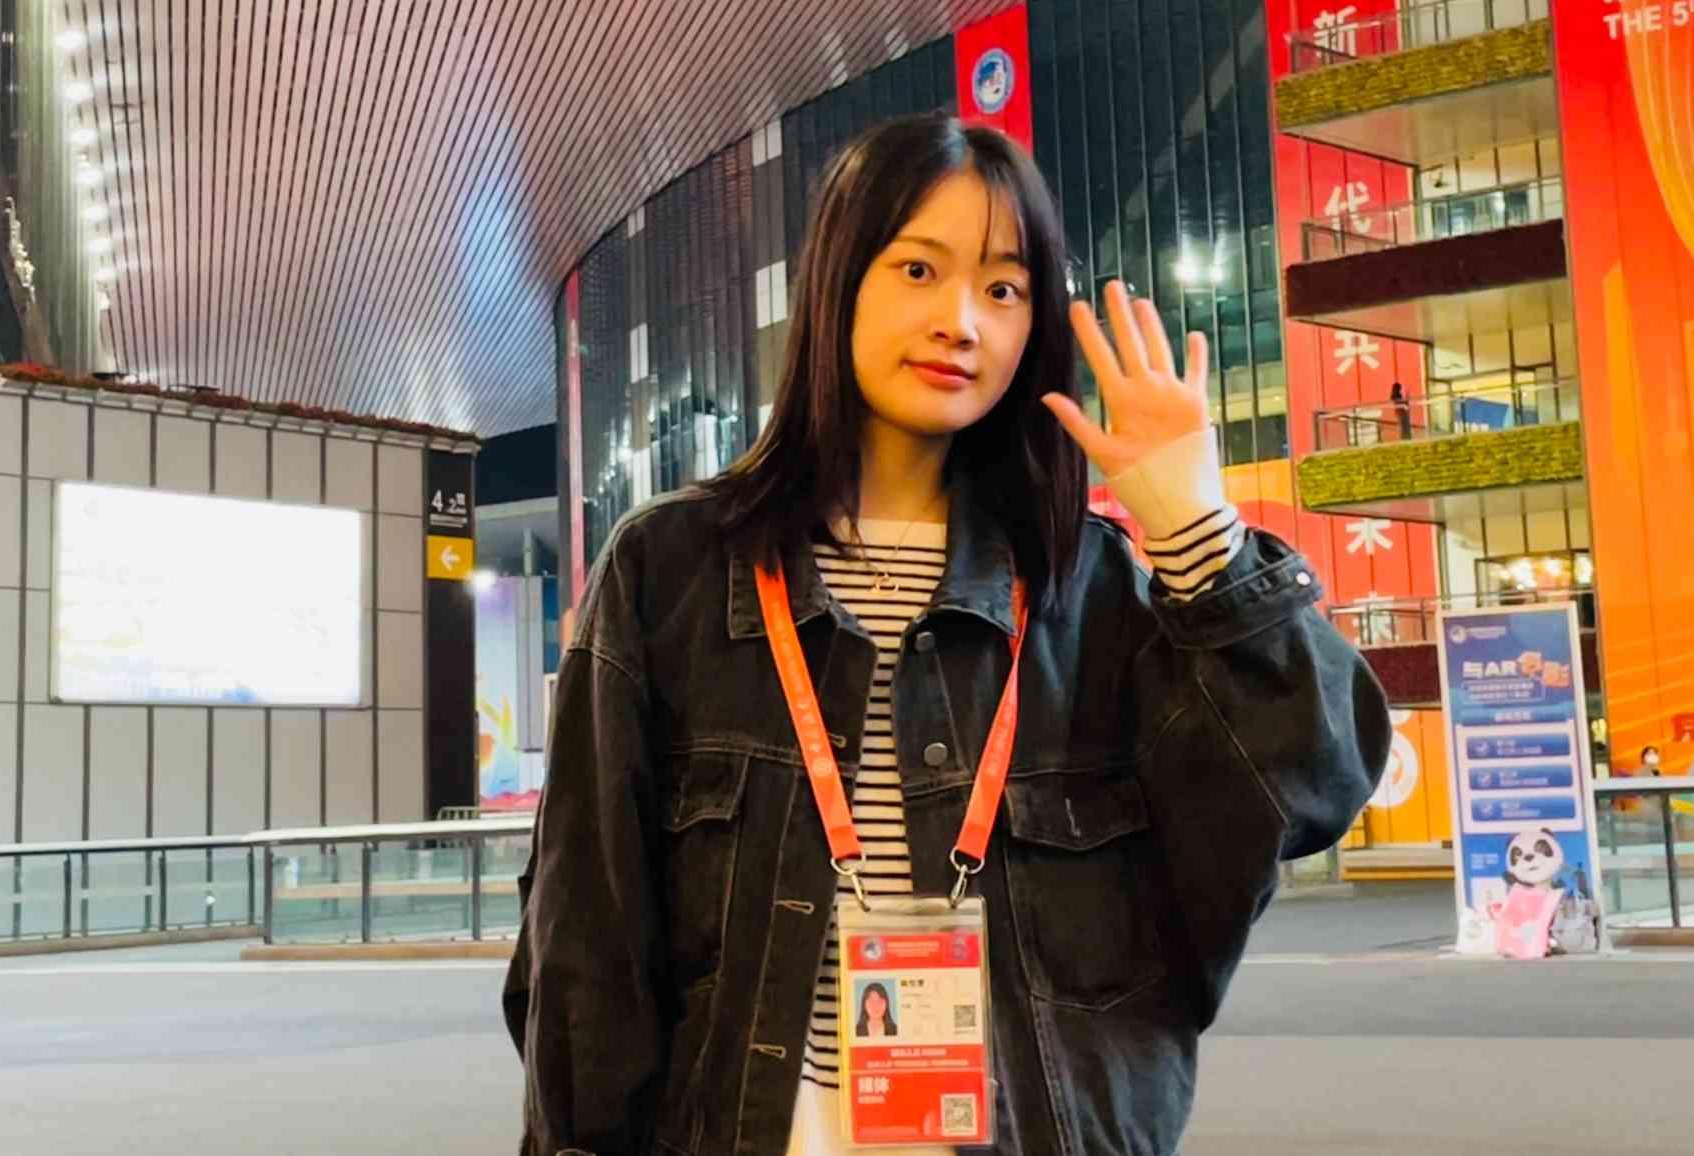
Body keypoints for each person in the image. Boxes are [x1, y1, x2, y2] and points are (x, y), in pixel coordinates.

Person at [503, 115, 1388, 1155]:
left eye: (1004, 289)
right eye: (919, 269)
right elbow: (585, 946)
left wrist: (1201, 534)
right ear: (839, 282)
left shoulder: (1089, 588)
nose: (962, 322)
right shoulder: (672, 571)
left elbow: (1316, 787)